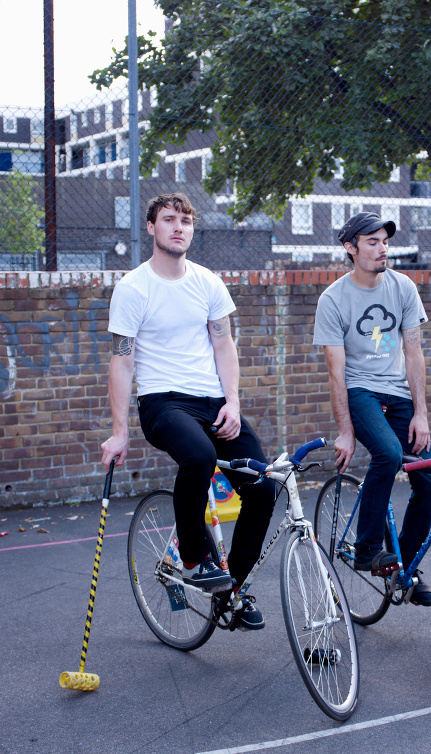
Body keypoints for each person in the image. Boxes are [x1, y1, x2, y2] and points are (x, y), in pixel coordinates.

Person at [99, 192, 275, 629]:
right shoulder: (133, 288)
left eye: (186, 221)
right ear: (152, 227)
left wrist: (233, 402)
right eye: (169, 219)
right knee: (197, 455)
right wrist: (119, 431)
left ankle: (232, 588)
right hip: (163, 402)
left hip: (213, 402)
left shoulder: (207, 282)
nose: (179, 227)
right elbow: (122, 360)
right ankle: (196, 559)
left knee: (263, 487)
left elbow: (223, 344)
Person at [313, 212, 431, 606]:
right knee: (386, 454)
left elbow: (414, 353)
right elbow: (336, 372)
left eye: (385, 241)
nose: (382, 248)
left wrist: (421, 413)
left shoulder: (403, 288)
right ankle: (368, 547)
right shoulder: (333, 300)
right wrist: (346, 431)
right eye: (372, 241)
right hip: (360, 392)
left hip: (398, 393)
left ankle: (403, 564)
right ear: (350, 248)